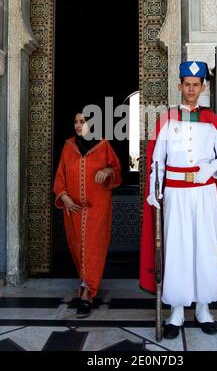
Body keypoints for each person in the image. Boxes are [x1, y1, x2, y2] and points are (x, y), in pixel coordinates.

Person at [140, 61, 217, 339]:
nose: (191, 90)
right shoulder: (166, 120)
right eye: (186, 85)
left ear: (202, 88)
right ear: (180, 86)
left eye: (196, 85)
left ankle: (204, 309)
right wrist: (155, 191)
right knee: (177, 250)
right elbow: (158, 160)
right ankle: (176, 313)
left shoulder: (212, 121)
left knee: (206, 248)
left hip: (204, 195)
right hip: (175, 196)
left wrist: (206, 171)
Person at [53, 112, 122, 317]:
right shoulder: (68, 147)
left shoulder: (103, 146)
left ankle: (87, 293)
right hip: (73, 208)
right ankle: (84, 284)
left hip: (97, 209)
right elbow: (60, 175)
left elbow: (117, 170)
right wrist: (64, 197)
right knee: (78, 248)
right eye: (75, 121)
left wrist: (108, 172)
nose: (78, 125)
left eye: (82, 121)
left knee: (92, 248)